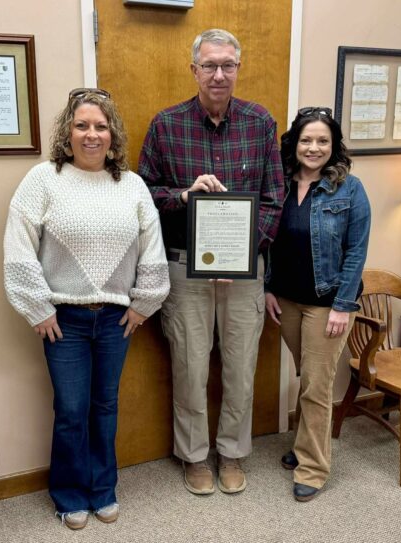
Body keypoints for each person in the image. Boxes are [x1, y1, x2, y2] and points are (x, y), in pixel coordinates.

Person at [4, 88, 169, 529]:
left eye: (100, 126)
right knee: (71, 411)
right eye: (82, 126)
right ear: (68, 132)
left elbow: (152, 246)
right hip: (64, 321)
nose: (91, 134)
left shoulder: (131, 185)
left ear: (113, 134)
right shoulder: (43, 180)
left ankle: (103, 488)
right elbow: (19, 246)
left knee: (105, 407)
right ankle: (69, 494)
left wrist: (145, 301)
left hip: (116, 319)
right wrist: (37, 307)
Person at [139, 28, 284, 496]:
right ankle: (195, 457)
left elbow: (274, 200)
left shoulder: (260, 123)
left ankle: (233, 453)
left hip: (244, 273)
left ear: (238, 68)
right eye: (209, 65)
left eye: (227, 65)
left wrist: (240, 255)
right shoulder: (166, 125)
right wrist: (184, 195)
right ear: (194, 69)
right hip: (186, 268)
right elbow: (143, 194)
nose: (218, 74)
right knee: (190, 368)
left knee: (241, 369)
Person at [264, 107, 371, 502]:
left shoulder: (350, 189)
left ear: (333, 145)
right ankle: (306, 445)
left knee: (317, 385)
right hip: (287, 300)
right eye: (306, 140)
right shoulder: (280, 184)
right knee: (307, 376)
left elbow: (357, 251)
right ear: (295, 143)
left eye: (323, 140)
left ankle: (313, 467)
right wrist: (268, 288)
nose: (314, 148)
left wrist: (344, 305)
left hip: (328, 303)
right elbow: (268, 241)